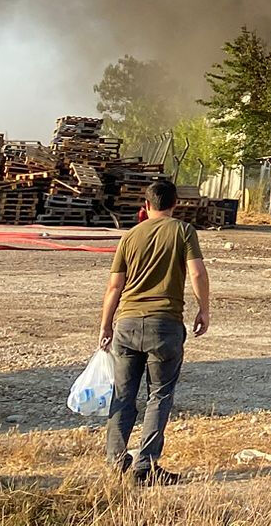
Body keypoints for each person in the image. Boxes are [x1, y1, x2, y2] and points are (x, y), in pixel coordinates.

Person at [99, 177, 210, 482]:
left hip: (127, 323)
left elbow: (114, 286)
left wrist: (106, 325)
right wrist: (204, 309)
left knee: (123, 394)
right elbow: (197, 272)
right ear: (176, 205)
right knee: (159, 395)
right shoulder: (183, 231)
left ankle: (116, 461)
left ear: (146, 206)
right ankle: (145, 464)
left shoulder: (129, 237)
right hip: (165, 324)